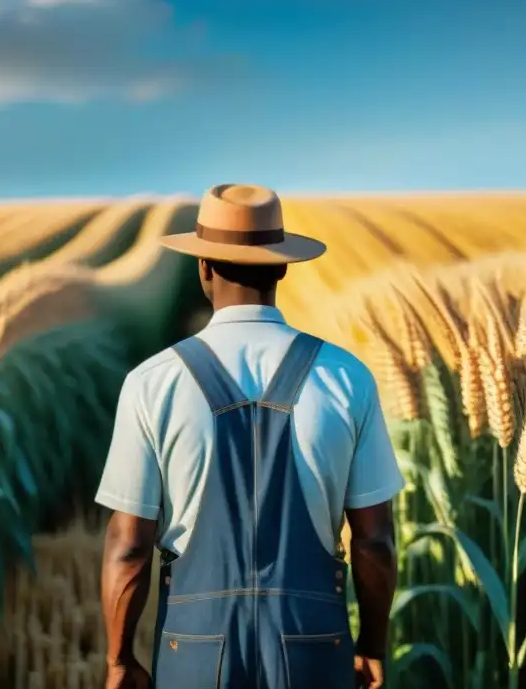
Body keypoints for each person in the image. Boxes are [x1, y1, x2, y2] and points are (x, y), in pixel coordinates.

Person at [96, 184, 404, 689]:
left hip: (193, 649)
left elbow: (129, 546)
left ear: (203, 268)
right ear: (282, 266)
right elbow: (374, 540)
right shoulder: (347, 377)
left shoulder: (153, 382)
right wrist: (371, 645)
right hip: (316, 645)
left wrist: (118, 659)